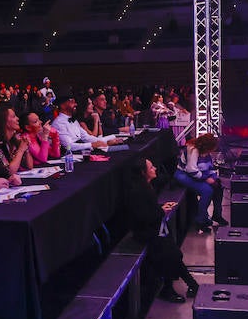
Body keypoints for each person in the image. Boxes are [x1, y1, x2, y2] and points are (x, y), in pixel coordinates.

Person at [128, 156, 198, 303]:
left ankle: (189, 285)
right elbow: (144, 217)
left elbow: (150, 211)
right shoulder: (138, 192)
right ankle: (176, 288)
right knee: (171, 254)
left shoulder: (146, 186)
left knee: (173, 253)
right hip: (146, 232)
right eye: (151, 168)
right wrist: (160, 211)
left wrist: (160, 208)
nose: (155, 169)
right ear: (143, 172)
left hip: (154, 228)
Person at [174, 133, 226, 231]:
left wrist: (214, 178)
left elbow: (210, 168)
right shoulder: (193, 150)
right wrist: (206, 179)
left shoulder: (207, 153)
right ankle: (201, 220)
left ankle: (217, 215)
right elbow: (191, 170)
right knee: (207, 190)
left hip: (199, 175)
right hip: (183, 175)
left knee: (218, 187)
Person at [52, 95, 125, 152]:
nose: (76, 104)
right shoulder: (58, 123)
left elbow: (86, 137)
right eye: (72, 101)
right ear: (62, 105)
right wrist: (92, 145)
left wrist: (110, 139)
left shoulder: (74, 121)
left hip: (82, 152)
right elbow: (68, 146)